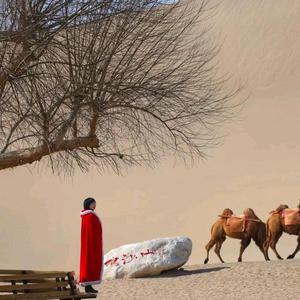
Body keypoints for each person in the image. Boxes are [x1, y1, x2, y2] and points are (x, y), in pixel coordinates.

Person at [79, 197, 103, 293]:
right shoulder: (90, 216)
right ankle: (88, 286)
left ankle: (89, 286)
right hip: (91, 243)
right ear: (88, 204)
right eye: (93, 203)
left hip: (90, 243)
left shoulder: (87, 216)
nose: (95, 205)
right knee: (90, 263)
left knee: (89, 263)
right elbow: (92, 231)